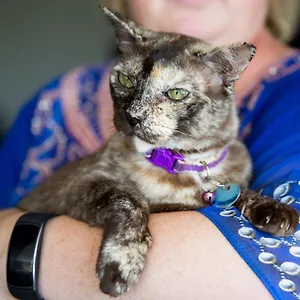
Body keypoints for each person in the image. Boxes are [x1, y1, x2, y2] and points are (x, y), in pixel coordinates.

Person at [1, 0, 300, 299]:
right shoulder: (50, 103)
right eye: (126, 81)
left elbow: (282, 268)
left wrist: (14, 250)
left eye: (176, 92)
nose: (136, 112)